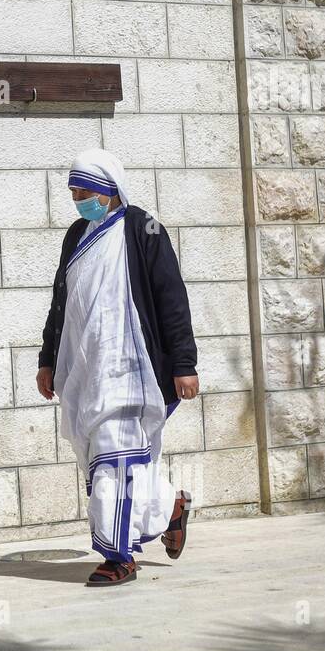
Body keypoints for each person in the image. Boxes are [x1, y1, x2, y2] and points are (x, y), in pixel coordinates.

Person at [35, 149, 199, 586]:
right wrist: (48, 358)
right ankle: (170, 510)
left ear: (108, 189)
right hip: (87, 370)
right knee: (108, 459)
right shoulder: (77, 235)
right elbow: (62, 302)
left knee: (116, 459)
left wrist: (184, 364)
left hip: (132, 369)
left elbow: (171, 298)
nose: (78, 200)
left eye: (84, 191)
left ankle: (118, 555)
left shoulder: (143, 229)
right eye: (73, 193)